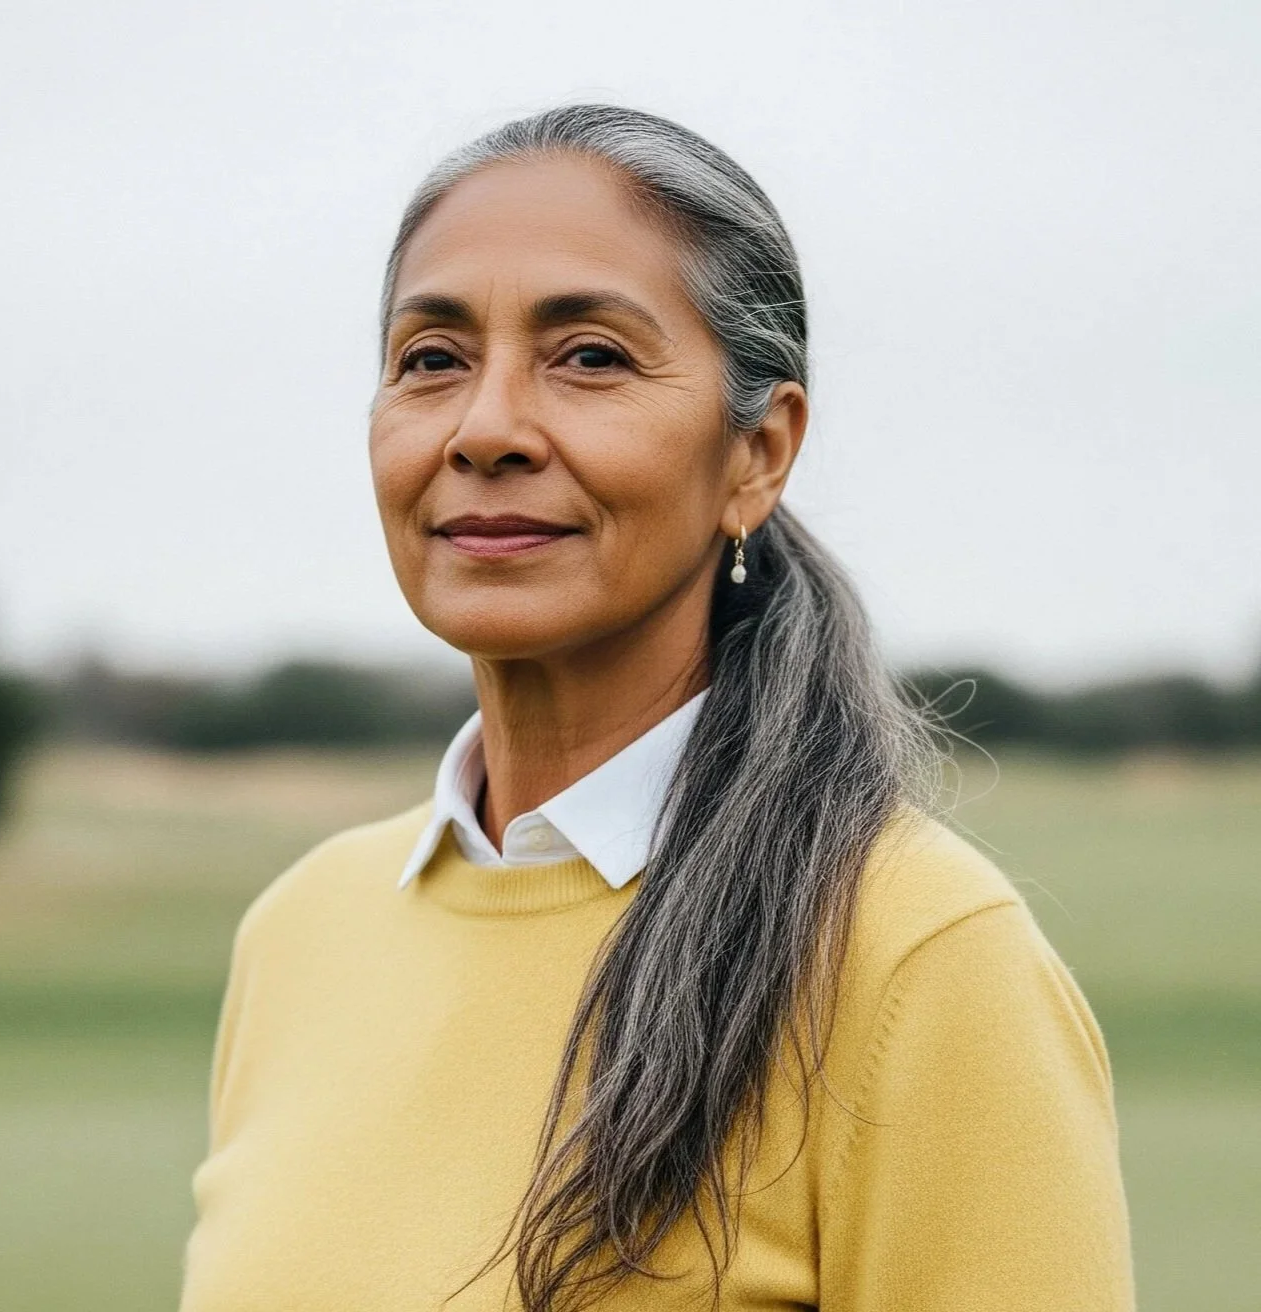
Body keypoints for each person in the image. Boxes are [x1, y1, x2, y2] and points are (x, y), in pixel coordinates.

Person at [177, 103, 1136, 1312]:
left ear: (757, 454)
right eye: (432, 358)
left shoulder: (917, 958)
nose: (485, 428)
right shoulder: (300, 932)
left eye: (589, 357)